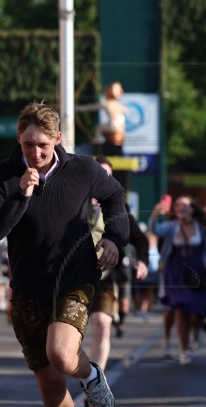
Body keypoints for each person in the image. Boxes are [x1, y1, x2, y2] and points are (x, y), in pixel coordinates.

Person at [0, 102, 128, 407]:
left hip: (73, 277)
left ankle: (91, 374)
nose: (35, 153)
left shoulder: (83, 169)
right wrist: (21, 195)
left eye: (42, 145)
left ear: (57, 139)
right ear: (19, 139)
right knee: (48, 382)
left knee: (62, 354)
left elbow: (115, 197)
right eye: (28, 144)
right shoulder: (3, 175)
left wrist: (114, 238)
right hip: (27, 286)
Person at [86, 156, 148, 373]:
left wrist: (142, 261)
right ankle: (81, 372)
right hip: (72, 277)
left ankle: (96, 383)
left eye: (107, 176)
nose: (103, 181)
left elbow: (140, 238)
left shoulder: (118, 208)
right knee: (67, 339)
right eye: (98, 175)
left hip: (105, 277)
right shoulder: (72, 200)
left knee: (102, 326)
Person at [149, 195, 206, 365]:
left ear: (192, 209)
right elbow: (155, 229)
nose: (180, 208)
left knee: (196, 311)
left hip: (198, 271)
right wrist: (155, 214)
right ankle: (184, 350)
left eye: (184, 205)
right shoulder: (172, 227)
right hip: (175, 272)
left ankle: (197, 327)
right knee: (180, 308)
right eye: (177, 205)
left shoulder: (202, 227)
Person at [76, 81, 127, 155]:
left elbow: (91, 107)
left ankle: (96, 143)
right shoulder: (118, 106)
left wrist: (77, 108)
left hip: (114, 130)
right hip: (120, 133)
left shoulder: (107, 103)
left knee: (99, 127)